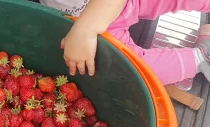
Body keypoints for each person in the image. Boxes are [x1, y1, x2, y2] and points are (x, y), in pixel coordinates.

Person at [39, 0, 210, 85]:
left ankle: (202, 57)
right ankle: (200, 56)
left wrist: (85, 30)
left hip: (92, 23)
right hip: (95, 27)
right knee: (133, 69)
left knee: (131, 72)